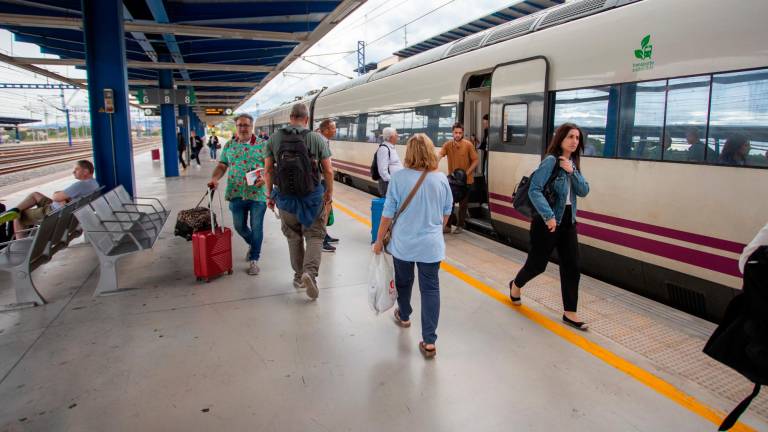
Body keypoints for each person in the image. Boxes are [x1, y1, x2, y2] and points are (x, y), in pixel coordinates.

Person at [373, 133, 453, 359]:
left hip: (404, 244)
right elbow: (447, 213)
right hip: (431, 245)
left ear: (408, 153)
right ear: (430, 151)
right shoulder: (441, 179)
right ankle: (429, 342)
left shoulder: (398, 178)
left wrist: (379, 241)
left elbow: (387, 214)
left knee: (404, 281)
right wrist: (433, 228)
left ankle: (404, 315)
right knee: (430, 290)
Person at [508, 123, 591, 330]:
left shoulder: (572, 164)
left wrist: (572, 172)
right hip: (547, 223)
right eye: (570, 137)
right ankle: (516, 285)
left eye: (577, 138)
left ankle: (569, 311)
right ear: (561, 138)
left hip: (568, 222)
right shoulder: (550, 161)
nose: (574, 141)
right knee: (537, 265)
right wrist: (548, 216)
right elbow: (534, 189)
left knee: (572, 266)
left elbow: (584, 191)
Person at [265, 103, 333, 299]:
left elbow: (268, 169)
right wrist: (328, 193)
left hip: (286, 199)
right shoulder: (315, 138)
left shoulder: (275, 138)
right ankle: (309, 273)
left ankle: (297, 276)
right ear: (306, 119)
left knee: (293, 237)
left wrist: (269, 195)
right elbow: (328, 170)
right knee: (315, 236)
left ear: (291, 117)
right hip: (312, 198)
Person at [207, 113, 267, 276]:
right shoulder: (229, 146)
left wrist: (265, 178)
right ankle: (253, 244)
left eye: (246, 125)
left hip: (257, 195)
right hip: (236, 193)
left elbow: (272, 167)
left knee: (257, 228)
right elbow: (222, 166)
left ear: (252, 126)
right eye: (240, 125)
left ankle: (254, 259)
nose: (243, 128)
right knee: (239, 227)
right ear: (236, 127)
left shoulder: (263, 145)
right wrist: (214, 178)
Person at [0, 160, 99, 238]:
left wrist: (60, 198)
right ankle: (15, 209)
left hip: (53, 212)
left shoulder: (80, 185)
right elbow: (59, 197)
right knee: (35, 194)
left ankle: (18, 244)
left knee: (18, 216)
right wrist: (63, 199)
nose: (73, 172)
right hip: (64, 210)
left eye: (76, 169)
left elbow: (56, 197)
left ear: (85, 171)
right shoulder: (94, 184)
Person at [438, 122, 478, 234]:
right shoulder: (448, 145)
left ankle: (460, 225)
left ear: (463, 133)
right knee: (449, 203)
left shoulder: (468, 145)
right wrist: (433, 165)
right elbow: (440, 155)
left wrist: (467, 173)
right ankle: (448, 226)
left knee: (463, 205)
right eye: (456, 132)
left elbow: (475, 160)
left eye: (460, 133)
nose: (458, 135)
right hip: (453, 181)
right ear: (452, 133)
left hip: (466, 181)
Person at [317, 119, 341, 253]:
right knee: (323, 211)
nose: (335, 131)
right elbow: (327, 169)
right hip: (321, 180)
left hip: (321, 180)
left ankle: (324, 235)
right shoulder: (321, 142)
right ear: (325, 129)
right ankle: (321, 241)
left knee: (324, 210)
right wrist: (330, 189)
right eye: (333, 128)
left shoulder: (323, 140)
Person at [376, 127, 404, 197]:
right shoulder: (384, 149)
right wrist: (392, 182)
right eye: (396, 135)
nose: (398, 137)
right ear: (391, 137)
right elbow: (382, 170)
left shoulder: (391, 148)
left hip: (392, 183)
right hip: (388, 185)